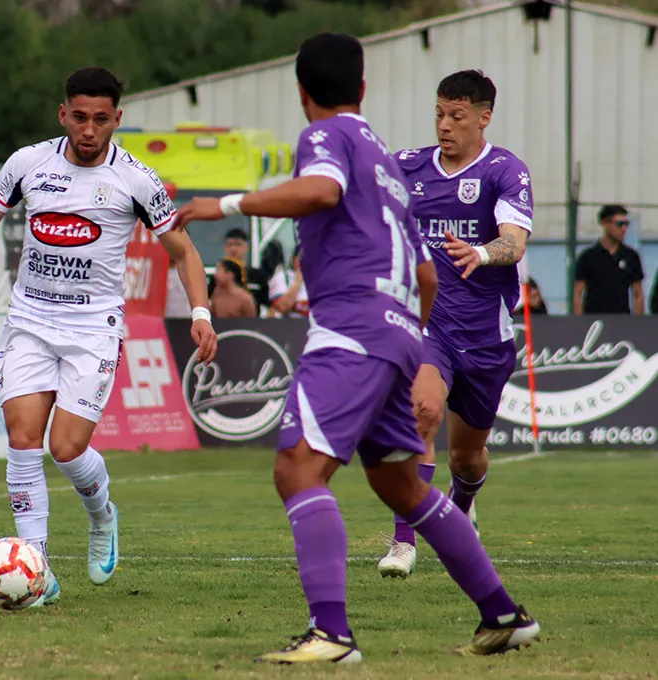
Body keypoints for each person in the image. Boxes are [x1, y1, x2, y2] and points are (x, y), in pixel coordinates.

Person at [176, 34, 539, 664]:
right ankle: (503, 614)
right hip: (401, 331)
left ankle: (331, 634)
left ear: (302, 92)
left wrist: (222, 204)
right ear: (363, 90)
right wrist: (408, 338)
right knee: (402, 485)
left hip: (353, 330)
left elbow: (317, 191)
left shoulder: (329, 137)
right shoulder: (386, 161)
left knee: (296, 467)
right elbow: (427, 275)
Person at [0, 67, 217, 607]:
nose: (89, 130)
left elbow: (184, 252)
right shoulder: (27, 164)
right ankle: (36, 567)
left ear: (117, 119)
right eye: (80, 117)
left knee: (66, 448)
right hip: (29, 322)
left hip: (93, 329)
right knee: (22, 438)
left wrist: (200, 312)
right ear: (63, 113)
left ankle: (102, 515)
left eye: (101, 119)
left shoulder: (136, 180)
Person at [377, 70, 535, 579]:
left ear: (484, 117)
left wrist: (483, 252)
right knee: (421, 412)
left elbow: (514, 241)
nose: (444, 125)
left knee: (468, 457)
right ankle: (404, 542)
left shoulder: (505, 171)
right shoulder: (407, 166)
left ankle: (463, 500)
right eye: (439, 114)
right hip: (428, 326)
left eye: (457, 116)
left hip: (486, 338)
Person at [573, 205, 644, 315]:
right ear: (605, 224)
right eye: (619, 224)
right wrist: (579, 323)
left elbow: (638, 294)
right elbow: (578, 294)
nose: (623, 229)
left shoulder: (631, 256)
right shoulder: (588, 257)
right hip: (594, 320)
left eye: (626, 224)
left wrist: (637, 323)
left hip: (622, 320)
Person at [206, 227, 270, 311]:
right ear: (225, 248)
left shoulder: (258, 275)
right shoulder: (218, 278)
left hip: (253, 322)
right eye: (230, 245)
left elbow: (268, 304)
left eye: (238, 244)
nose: (233, 249)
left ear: (246, 247)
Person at [267, 243, 309, 317]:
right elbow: (281, 307)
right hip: (289, 325)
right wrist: (297, 283)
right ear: (293, 259)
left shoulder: (323, 281)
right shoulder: (282, 277)